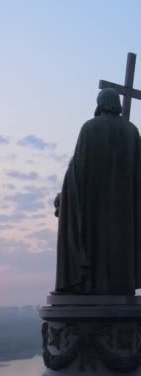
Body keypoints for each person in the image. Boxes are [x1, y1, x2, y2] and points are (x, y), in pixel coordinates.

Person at [55, 87, 141, 294]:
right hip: (124, 206)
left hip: (94, 203)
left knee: (93, 240)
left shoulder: (90, 128)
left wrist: (65, 196)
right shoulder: (132, 131)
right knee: (119, 242)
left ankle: (88, 283)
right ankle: (119, 285)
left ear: (100, 103)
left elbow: (78, 169)